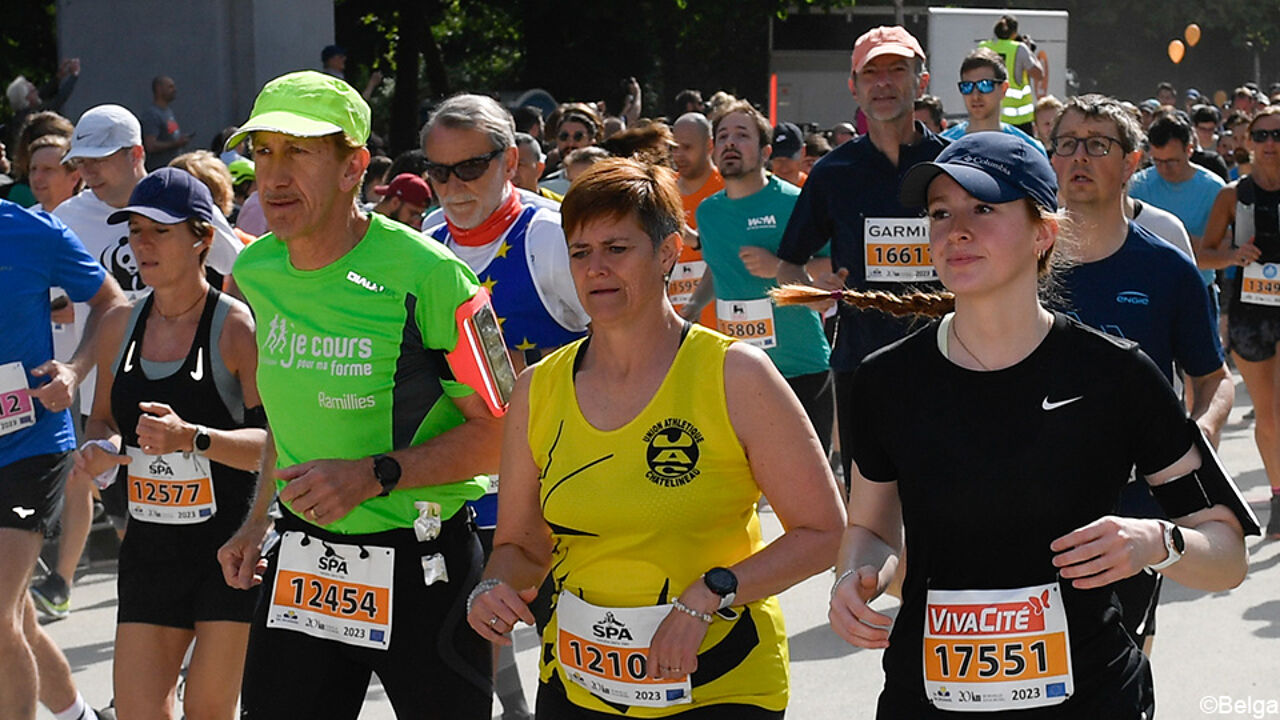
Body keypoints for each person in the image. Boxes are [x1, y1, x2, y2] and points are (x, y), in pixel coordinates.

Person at [816, 131, 1251, 717]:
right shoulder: (884, 381)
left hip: (1091, 697)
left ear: (1043, 233)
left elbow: (1225, 554)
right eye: (940, 212)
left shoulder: (1115, 374)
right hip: (928, 698)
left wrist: (1157, 542)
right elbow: (869, 531)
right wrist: (856, 576)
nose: (956, 229)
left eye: (984, 208)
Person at [465, 157, 845, 718]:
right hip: (578, 684)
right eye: (580, 252)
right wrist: (491, 588)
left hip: (719, 682)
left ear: (667, 253)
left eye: (617, 249)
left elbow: (824, 532)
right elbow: (520, 546)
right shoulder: (537, 389)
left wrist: (711, 594)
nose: (596, 269)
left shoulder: (736, 374)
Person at [215, 70, 508, 719]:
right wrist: (256, 520)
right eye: (263, 150)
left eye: (299, 151)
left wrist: (376, 476)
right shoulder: (257, 270)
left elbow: (504, 434)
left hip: (422, 564)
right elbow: (290, 425)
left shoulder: (431, 275)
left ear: (353, 167)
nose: (274, 173)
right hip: (302, 561)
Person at [70, 168, 265, 720]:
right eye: (134, 230)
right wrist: (101, 448)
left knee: (208, 712)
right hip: (151, 551)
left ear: (202, 236)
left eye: (159, 230)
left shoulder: (235, 329)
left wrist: (193, 439)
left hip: (226, 552)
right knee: (138, 713)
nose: (142, 244)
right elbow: (103, 418)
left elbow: (272, 447)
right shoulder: (118, 326)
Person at [1048, 94, 1235, 651]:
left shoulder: (1166, 268)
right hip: (1026, 491)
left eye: (1098, 145)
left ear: (1132, 164)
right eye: (1067, 144)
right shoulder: (1016, 260)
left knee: (1122, 659)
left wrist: (1200, 434)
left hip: (1131, 508)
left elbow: (1212, 378)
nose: (1079, 157)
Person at [776, 25, 947, 485]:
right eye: (871, 73)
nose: (884, 83)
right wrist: (812, 294)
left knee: (950, 502)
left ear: (922, 81)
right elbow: (788, 263)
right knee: (869, 508)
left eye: (897, 70)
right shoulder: (834, 172)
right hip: (862, 364)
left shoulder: (954, 164)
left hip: (952, 361)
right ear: (854, 87)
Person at [1, 197, 125, 720]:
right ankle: (80, 717)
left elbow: (110, 301)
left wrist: (74, 371)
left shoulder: (31, 230)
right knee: (15, 618)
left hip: (29, 442)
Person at [696, 101, 834, 453]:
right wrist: (691, 307)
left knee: (810, 491)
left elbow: (833, 269)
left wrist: (778, 268)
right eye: (722, 136)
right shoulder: (708, 213)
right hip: (738, 370)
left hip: (800, 367)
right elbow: (718, 265)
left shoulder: (795, 203)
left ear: (765, 151)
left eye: (742, 135)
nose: (730, 142)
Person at [422, 93, 589, 372]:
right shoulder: (429, 243)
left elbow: (621, 341)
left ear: (510, 162)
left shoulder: (548, 236)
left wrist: (520, 366)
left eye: (470, 168)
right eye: (439, 171)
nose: (453, 186)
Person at [1201, 105, 1280, 538]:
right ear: (1249, 142)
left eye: (1278, 135)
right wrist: (1233, 256)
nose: (1271, 144)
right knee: (1267, 414)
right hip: (1253, 313)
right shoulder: (1232, 195)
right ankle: (1278, 495)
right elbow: (1202, 253)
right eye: (1262, 135)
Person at [1129, 113, 1228, 314]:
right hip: (1147, 292)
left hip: (1197, 290)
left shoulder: (1214, 188)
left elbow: (1224, 252)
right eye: (1157, 161)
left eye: (1173, 161)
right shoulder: (1138, 185)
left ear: (1189, 150)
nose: (1164, 169)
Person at [940, 48, 1046, 155]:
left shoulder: (1029, 150)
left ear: (1004, 89)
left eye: (985, 85)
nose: (975, 96)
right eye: (967, 86)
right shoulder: (944, 146)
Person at [669, 112, 723, 325]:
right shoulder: (664, 191)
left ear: (709, 146)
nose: (679, 155)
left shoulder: (729, 190)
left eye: (687, 147)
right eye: (674, 147)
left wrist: (697, 241)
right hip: (673, 327)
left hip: (719, 325)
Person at [979, 14, 1043, 132]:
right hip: (1018, 121)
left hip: (990, 117)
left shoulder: (983, 47)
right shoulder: (1019, 48)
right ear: (1014, 33)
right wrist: (1030, 51)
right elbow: (1039, 74)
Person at [141, 76, 194, 172]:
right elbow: (150, 145)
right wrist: (175, 144)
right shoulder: (152, 114)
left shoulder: (168, 112)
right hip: (160, 171)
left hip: (172, 169)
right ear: (159, 89)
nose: (174, 90)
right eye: (170, 87)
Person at [28, 135, 81, 213]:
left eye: (48, 170)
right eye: (33, 169)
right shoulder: (26, 219)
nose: (37, 177)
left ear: (74, 178)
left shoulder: (93, 219)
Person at [513, 133, 562, 203]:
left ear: (539, 168)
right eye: (505, 164)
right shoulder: (493, 206)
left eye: (519, 165)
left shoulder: (559, 205)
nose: (511, 172)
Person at [767, 122, 807, 187]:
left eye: (789, 159)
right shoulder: (760, 189)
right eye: (778, 160)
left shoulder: (814, 188)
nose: (784, 168)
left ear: (803, 152)